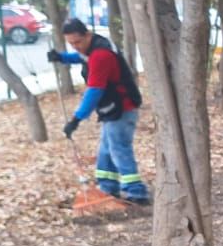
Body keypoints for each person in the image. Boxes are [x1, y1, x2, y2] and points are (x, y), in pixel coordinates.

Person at [47, 19, 150, 205]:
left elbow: (94, 90)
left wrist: (76, 119)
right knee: (106, 149)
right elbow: (81, 57)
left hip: (122, 108)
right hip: (113, 108)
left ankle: (136, 192)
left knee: (119, 149)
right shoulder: (93, 47)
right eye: (71, 43)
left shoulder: (101, 55)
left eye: (77, 42)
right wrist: (61, 57)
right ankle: (108, 186)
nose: (75, 47)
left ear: (87, 35)